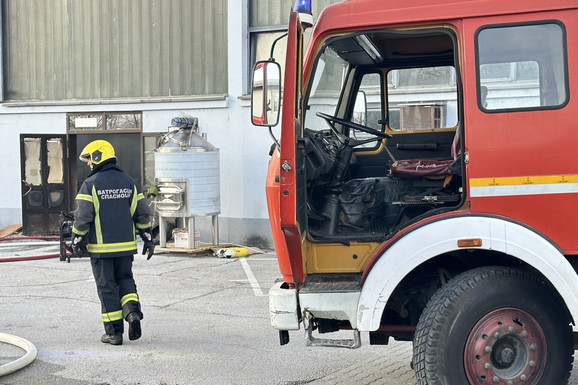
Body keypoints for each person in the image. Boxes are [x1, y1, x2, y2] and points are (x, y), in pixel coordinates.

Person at [71, 140, 154, 345]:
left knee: (107, 287)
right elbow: (142, 213)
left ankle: (114, 333)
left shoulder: (90, 184)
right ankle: (132, 313)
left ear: (98, 157)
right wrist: (147, 236)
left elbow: (82, 217)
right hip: (126, 248)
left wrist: (77, 237)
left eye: (90, 159)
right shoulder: (129, 182)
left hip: (101, 249)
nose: (89, 164)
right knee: (125, 280)